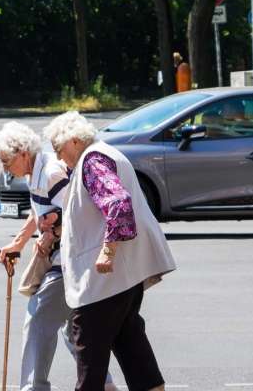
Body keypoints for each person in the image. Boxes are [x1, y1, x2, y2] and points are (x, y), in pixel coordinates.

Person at [42, 112, 177, 391]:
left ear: (75, 141)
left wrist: (107, 250)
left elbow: (118, 203)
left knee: (90, 354)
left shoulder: (91, 160)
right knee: (132, 346)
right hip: (124, 278)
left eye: (59, 149)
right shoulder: (106, 154)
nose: (58, 157)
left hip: (103, 282)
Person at [0, 121, 117, 391]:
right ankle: (104, 384)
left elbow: (75, 212)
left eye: (6, 161)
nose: (5, 169)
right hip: (68, 260)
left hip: (69, 261)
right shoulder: (35, 173)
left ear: (23, 153)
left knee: (38, 317)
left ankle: (34, 388)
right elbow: (39, 211)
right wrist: (19, 242)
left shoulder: (50, 172)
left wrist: (52, 234)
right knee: (74, 330)